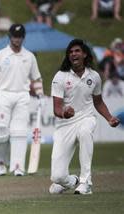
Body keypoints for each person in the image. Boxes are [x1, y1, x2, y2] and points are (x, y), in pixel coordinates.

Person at [49, 39, 120, 195]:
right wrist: (64, 112)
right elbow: (56, 108)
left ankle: (85, 182)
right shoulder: (60, 76)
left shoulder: (94, 76)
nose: (73, 54)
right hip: (65, 125)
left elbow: (98, 102)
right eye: (71, 52)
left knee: (85, 132)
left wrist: (109, 118)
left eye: (77, 51)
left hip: (86, 118)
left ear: (85, 54)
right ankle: (71, 181)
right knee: (57, 176)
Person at [0, 24, 44, 176]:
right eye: (15, 36)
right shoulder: (0, 55)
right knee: (0, 130)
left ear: (23, 37)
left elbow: (37, 78)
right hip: (4, 94)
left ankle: (17, 166)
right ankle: (1, 164)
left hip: (22, 95)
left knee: (19, 132)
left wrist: (41, 95)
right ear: (9, 37)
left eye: (20, 36)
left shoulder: (29, 56)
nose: (17, 39)